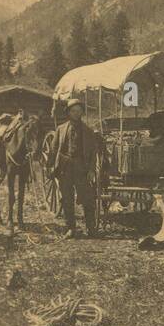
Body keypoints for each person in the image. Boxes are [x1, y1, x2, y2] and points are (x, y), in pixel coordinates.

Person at [51, 98, 100, 238]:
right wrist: (50, 166)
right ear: (68, 113)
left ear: (82, 113)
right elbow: (54, 150)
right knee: (67, 198)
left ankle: (91, 228)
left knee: (87, 198)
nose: (76, 114)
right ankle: (70, 228)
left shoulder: (88, 131)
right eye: (73, 111)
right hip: (65, 168)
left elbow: (93, 153)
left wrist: (91, 170)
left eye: (79, 111)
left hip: (81, 168)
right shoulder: (60, 129)